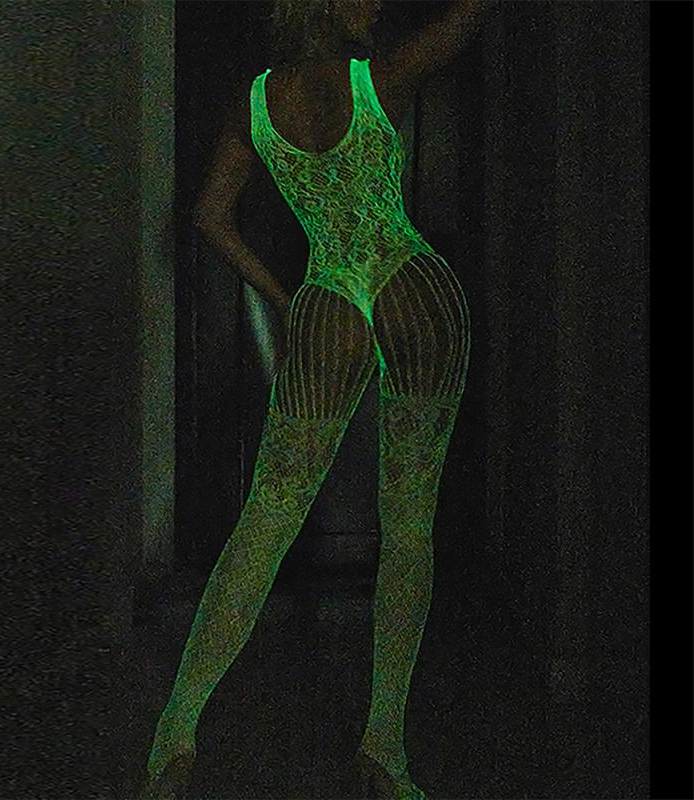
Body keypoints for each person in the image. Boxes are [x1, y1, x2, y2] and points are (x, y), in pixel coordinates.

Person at [143, 1, 484, 798]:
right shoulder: (375, 79)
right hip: (412, 288)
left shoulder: (256, 103)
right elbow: (464, 22)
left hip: (328, 298)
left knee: (266, 521)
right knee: (409, 526)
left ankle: (173, 739)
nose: (378, 5)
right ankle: (384, 752)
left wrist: (285, 295)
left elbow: (210, 216)